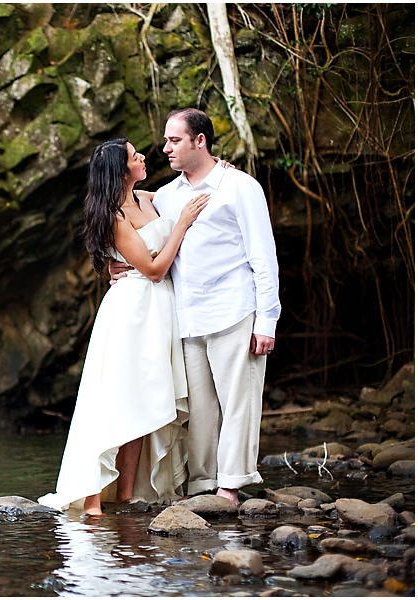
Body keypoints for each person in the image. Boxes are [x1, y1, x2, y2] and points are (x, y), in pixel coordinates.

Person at [112, 108, 281, 505]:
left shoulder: (241, 187)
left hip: (236, 310)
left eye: (174, 140)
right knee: (200, 409)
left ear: (199, 141)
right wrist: (112, 264)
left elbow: (264, 257)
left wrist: (267, 321)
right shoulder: (166, 196)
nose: (165, 148)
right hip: (185, 318)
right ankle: (203, 483)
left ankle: (231, 484)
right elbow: (126, 223)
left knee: (239, 401)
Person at [37, 138, 210, 515]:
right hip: (130, 311)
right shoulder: (115, 216)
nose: (143, 157)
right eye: (135, 156)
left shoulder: (146, 200)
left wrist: (219, 168)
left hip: (158, 311)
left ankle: (129, 493)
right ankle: (93, 495)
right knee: (115, 398)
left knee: (145, 399)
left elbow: (184, 185)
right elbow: (152, 269)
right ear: (120, 170)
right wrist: (181, 224)